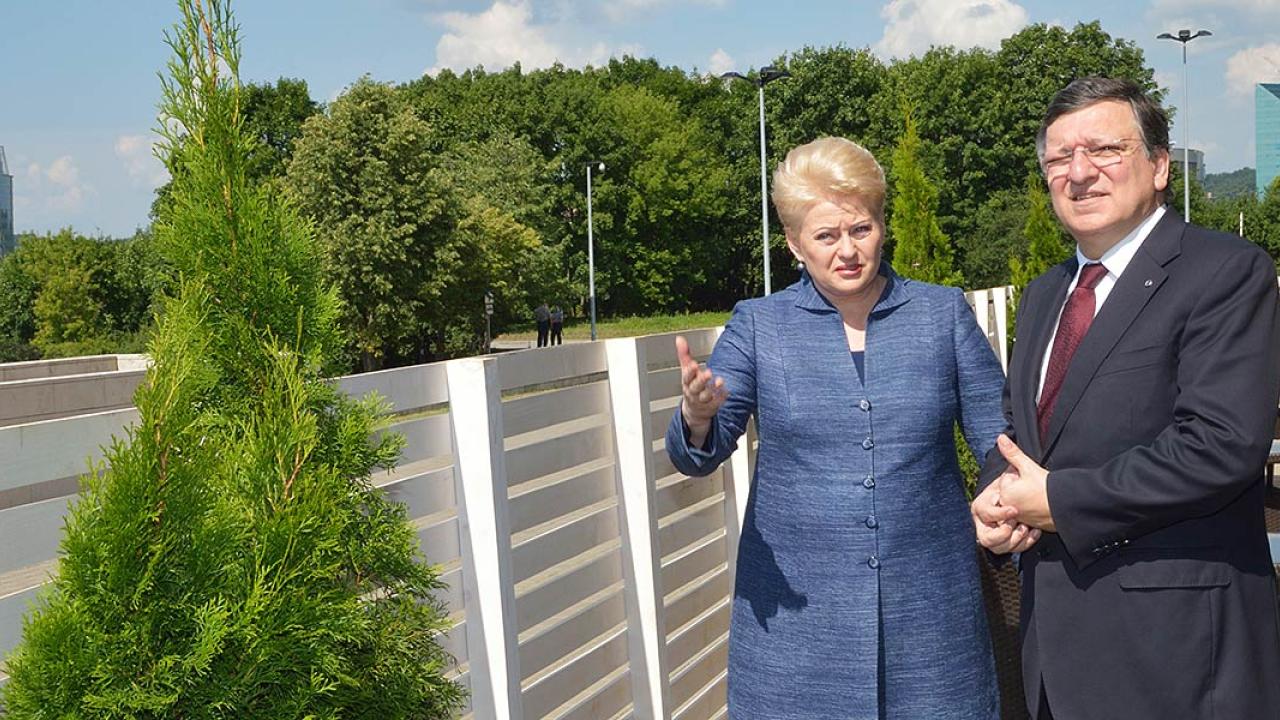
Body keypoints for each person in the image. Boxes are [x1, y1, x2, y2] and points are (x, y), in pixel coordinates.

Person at [972, 77, 1280, 720]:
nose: (1079, 172)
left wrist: (1058, 499)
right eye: (1059, 158)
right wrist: (999, 496)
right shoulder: (1043, 294)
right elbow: (1020, 431)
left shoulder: (1227, 272)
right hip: (1053, 654)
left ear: (1160, 166)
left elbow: (1222, 445)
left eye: (1105, 149)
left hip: (1177, 656)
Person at [667, 136, 1005, 719]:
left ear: (882, 224)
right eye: (825, 236)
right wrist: (698, 416)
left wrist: (1002, 498)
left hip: (931, 623)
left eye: (861, 230)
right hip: (795, 631)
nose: (846, 251)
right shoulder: (759, 325)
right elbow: (700, 451)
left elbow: (998, 436)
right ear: (795, 244)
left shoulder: (941, 313)